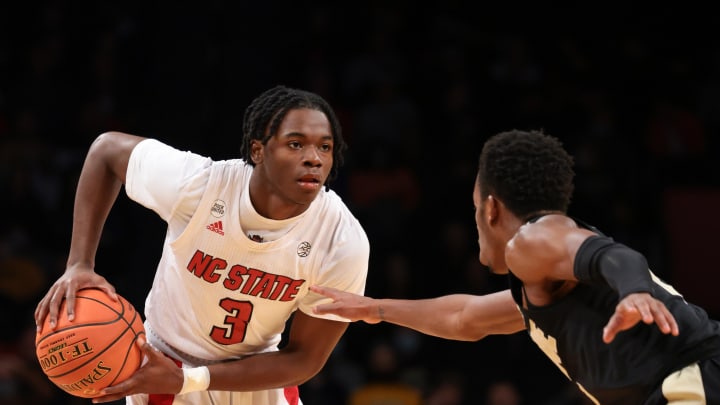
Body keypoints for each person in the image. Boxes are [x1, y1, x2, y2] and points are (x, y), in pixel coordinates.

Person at [311, 129, 720, 404]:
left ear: (490, 208)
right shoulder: (540, 278)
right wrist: (374, 309)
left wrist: (635, 292)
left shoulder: (532, 239)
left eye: (473, 209)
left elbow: (612, 255)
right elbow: (464, 317)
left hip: (694, 380)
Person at [34, 85, 370, 405]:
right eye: (295, 144)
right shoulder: (201, 186)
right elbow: (106, 151)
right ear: (258, 151)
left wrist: (193, 379)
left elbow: (307, 359)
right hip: (163, 368)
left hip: (253, 379)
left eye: (324, 147)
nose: (314, 158)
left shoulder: (340, 241)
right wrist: (79, 263)